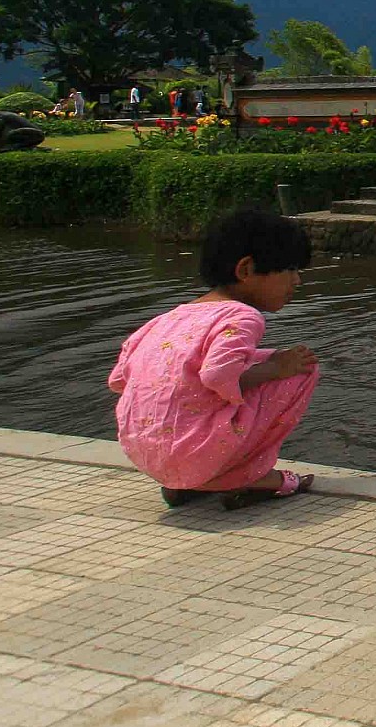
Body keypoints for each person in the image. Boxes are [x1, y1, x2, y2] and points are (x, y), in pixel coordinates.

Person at [109, 208, 320, 510]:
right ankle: (244, 476)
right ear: (246, 270)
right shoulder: (243, 316)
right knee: (301, 369)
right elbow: (217, 376)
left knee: (260, 364)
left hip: (144, 453)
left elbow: (119, 379)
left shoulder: (167, 319)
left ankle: (186, 481)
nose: (297, 281)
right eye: (289, 269)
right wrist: (275, 368)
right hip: (192, 451)